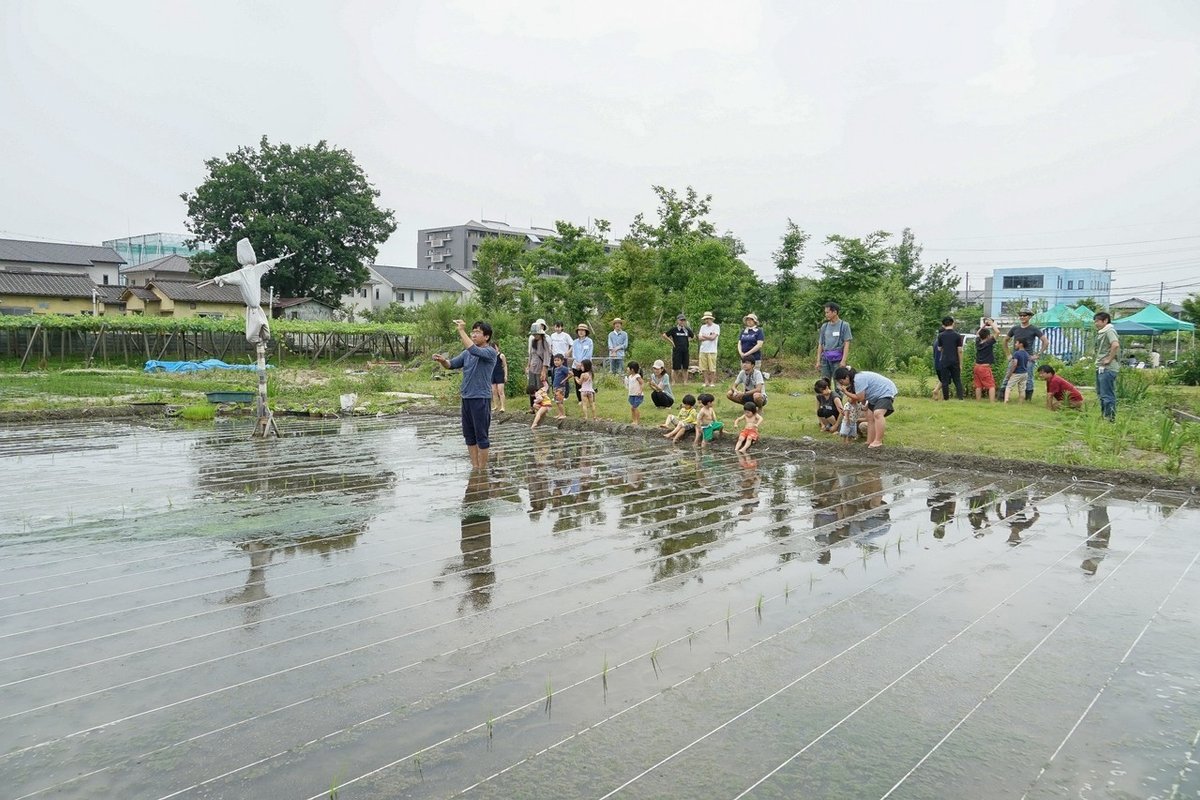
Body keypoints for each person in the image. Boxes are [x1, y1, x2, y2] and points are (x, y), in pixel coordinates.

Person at [431, 320, 497, 469]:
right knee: (469, 435)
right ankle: (475, 467)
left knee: (481, 435)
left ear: (486, 337)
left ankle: (483, 468)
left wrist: (461, 330)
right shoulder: (467, 353)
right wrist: (443, 361)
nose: (473, 334)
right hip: (466, 397)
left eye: (477, 332)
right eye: (472, 331)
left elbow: (474, 350)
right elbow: (451, 364)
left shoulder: (490, 352)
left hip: (480, 398)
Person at [833, 366, 897, 448]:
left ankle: (878, 441)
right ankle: (869, 441)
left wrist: (845, 392)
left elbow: (860, 397)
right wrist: (865, 406)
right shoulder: (855, 381)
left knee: (878, 414)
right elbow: (862, 398)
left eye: (841, 381)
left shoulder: (858, 379)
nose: (842, 384)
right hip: (874, 396)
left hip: (885, 392)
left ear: (847, 377)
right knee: (870, 417)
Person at [1005, 309, 1050, 402]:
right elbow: (1005, 340)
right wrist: (1008, 354)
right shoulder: (1015, 328)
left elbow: (1045, 341)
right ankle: (1003, 396)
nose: (1022, 317)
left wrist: (1038, 354)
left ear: (1029, 317)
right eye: (1020, 315)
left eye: (1024, 315)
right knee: (1008, 375)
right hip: (1015, 357)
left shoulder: (1033, 329)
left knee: (1029, 378)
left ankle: (1027, 398)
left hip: (1028, 358)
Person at [815, 302, 852, 384]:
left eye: (828, 312)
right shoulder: (824, 326)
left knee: (838, 382)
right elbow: (820, 344)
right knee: (824, 382)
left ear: (835, 312)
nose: (826, 314)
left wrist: (843, 360)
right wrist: (818, 360)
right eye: (825, 312)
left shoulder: (844, 325)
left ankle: (838, 397)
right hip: (825, 358)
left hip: (838, 359)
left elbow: (847, 343)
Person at [1093, 311, 1121, 420]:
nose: (1096, 323)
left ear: (1105, 321)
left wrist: (1109, 358)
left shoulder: (1109, 330)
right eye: (1095, 321)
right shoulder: (1102, 332)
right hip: (1100, 367)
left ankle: (1109, 418)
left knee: (1107, 395)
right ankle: (1104, 416)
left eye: (1098, 321)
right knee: (1101, 394)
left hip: (1107, 368)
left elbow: (1115, 345)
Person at [935, 316, 965, 400]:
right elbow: (960, 350)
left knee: (944, 381)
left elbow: (940, 348)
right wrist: (960, 363)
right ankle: (960, 398)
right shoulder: (957, 336)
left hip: (944, 360)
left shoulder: (941, 335)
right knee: (957, 380)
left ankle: (946, 398)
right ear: (953, 323)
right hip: (955, 360)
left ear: (943, 325)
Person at [661, 314, 695, 386]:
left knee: (685, 367)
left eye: (683, 320)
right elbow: (664, 335)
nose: (682, 322)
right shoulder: (674, 329)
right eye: (681, 320)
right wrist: (672, 342)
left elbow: (693, 336)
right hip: (677, 351)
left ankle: (685, 382)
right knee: (676, 367)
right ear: (678, 321)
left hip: (685, 350)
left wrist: (688, 340)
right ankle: (673, 382)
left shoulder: (687, 329)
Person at [526, 323, 551, 412]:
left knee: (541, 389)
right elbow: (531, 355)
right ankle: (532, 407)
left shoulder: (545, 343)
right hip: (532, 368)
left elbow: (547, 357)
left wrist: (544, 371)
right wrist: (528, 365)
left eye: (536, 334)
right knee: (532, 388)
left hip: (540, 368)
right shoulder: (533, 342)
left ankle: (543, 407)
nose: (534, 335)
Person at [571, 323, 595, 404]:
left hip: (586, 365)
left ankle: (589, 398)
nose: (581, 332)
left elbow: (589, 354)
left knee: (586, 382)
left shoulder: (589, 341)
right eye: (579, 330)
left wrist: (582, 364)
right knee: (577, 383)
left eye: (583, 330)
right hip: (576, 364)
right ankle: (580, 399)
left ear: (586, 332)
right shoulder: (574, 342)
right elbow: (574, 354)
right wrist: (577, 363)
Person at [973, 327, 998, 402]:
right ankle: (992, 402)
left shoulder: (978, 342)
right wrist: (991, 324)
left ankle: (978, 402)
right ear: (988, 336)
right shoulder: (988, 343)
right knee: (991, 385)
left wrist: (984, 325)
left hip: (977, 367)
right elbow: (997, 332)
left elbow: (977, 333)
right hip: (985, 367)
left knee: (978, 385)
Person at [1003, 338, 1030, 404]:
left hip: (1017, 373)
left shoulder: (1016, 353)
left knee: (1009, 386)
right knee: (1022, 389)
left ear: (1021, 344)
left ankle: (1006, 401)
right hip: (1024, 373)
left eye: (1016, 343)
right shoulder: (1027, 354)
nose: (1015, 344)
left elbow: (1015, 364)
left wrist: (1010, 373)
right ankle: (1020, 403)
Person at [698, 311, 720, 387]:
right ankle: (706, 381)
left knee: (712, 367)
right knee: (704, 367)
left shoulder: (716, 326)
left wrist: (705, 336)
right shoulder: (702, 327)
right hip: (703, 349)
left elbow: (713, 338)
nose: (706, 320)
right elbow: (700, 338)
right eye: (705, 319)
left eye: (707, 319)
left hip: (712, 350)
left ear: (711, 319)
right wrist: (708, 337)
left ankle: (712, 382)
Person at [550, 352, 571, 419]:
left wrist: (564, 380)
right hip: (555, 387)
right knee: (557, 402)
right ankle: (559, 414)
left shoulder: (563, 368)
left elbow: (571, 374)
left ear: (562, 361)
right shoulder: (555, 369)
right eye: (555, 360)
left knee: (560, 402)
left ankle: (563, 414)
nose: (556, 362)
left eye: (558, 360)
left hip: (560, 387)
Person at [490, 342, 508, 413]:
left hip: (500, 374)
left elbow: (505, 365)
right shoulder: (490, 356)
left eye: (495, 348)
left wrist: (505, 375)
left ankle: (503, 407)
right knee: (494, 391)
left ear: (498, 347)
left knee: (500, 391)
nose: (494, 350)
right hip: (492, 374)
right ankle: (495, 406)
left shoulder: (501, 355)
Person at [626, 360, 644, 425]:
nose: (627, 369)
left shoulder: (637, 376)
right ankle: (634, 420)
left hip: (637, 395)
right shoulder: (630, 377)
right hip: (632, 394)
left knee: (634, 407)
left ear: (632, 369)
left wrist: (640, 391)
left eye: (628, 367)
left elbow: (642, 383)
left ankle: (637, 421)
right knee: (632, 408)